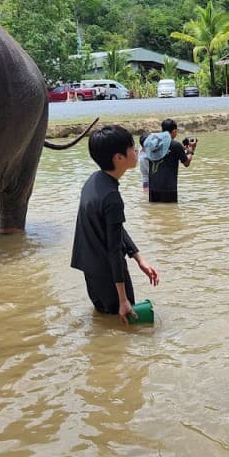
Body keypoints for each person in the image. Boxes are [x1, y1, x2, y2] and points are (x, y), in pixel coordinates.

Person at [71, 124, 160, 324]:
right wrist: (123, 298)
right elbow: (113, 249)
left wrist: (138, 258)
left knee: (105, 323)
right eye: (132, 149)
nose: (137, 152)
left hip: (90, 269)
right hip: (109, 274)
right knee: (126, 322)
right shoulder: (112, 197)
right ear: (118, 158)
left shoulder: (94, 181)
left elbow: (114, 228)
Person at [142, 118, 194, 203]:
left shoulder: (153, 144)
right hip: (168, 188)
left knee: (155, 212)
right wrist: (191, 150)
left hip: (153, 188)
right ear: (174, 131)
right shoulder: (176, 145)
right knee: (170, 211)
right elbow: (186, 163)